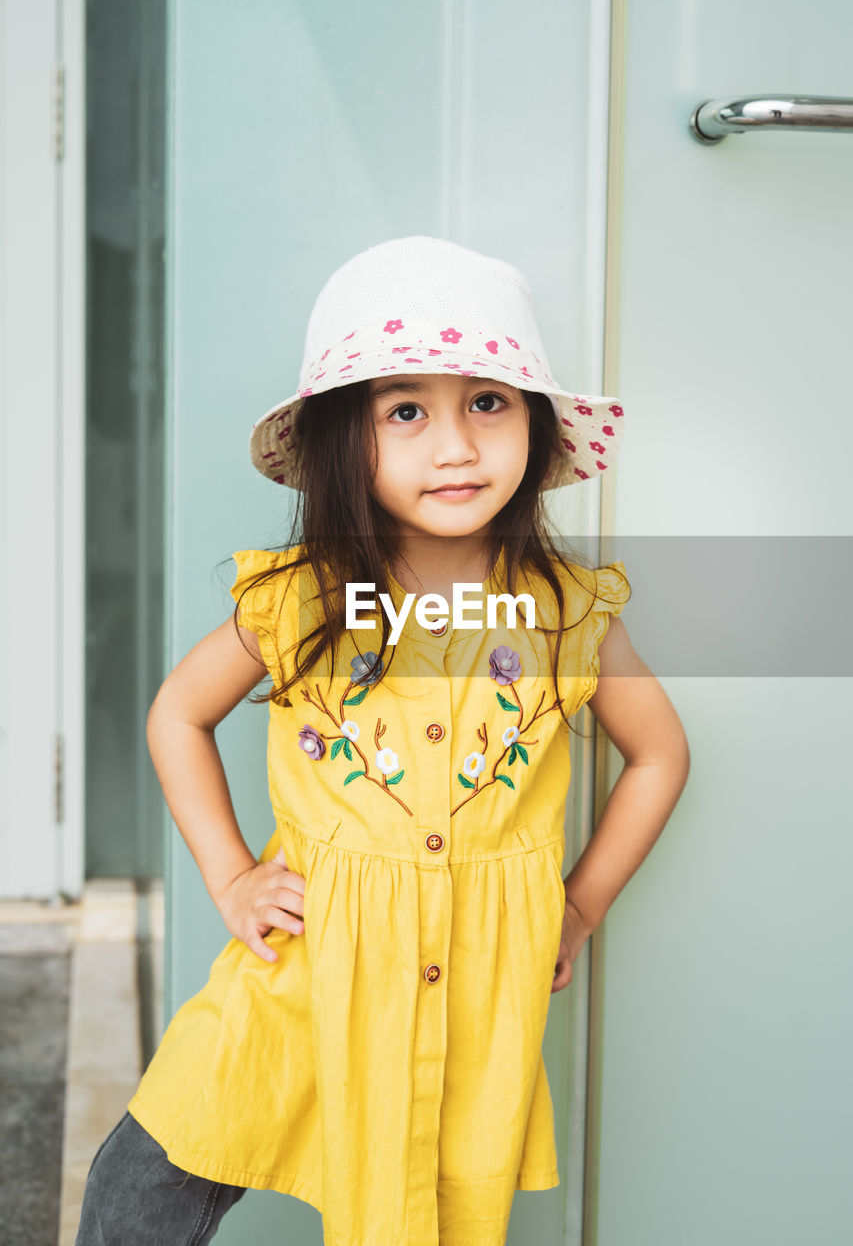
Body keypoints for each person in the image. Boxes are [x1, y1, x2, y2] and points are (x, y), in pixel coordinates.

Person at [75, 235, 690, 1246]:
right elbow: (176, 713)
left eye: (486, 402)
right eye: (406, 410)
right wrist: (231, 876)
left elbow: (658, 751)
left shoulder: (562, 610)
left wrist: (579, 903)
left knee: (423, 1215)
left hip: (470, 987)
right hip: (307, 967)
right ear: (342, 442)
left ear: (535, 425)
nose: (455, 446)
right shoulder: (302, 597)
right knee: (141, 1189)